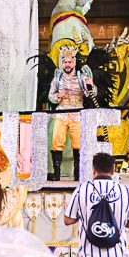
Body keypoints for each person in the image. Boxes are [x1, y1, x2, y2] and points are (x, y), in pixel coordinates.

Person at [64, 153, 129, 257]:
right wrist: (116, 222)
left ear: (93, 170)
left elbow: (68, 220)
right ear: (113, 170)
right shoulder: (124, 190)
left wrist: (86, 215)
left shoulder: (82, 189)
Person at [47, 42, 93, 182]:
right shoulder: (57, 79)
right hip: (61, 113)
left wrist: (91, 85)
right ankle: (57, 173)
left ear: (74, 63)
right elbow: (50, 96)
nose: (67, 65)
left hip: (77, 114)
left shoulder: (82, 77)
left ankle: (78, 173)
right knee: (56, 141)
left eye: (70, 62)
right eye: (65, 62)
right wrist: (58, 96)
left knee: (78, 143)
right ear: (62, 63)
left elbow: (93, 93)